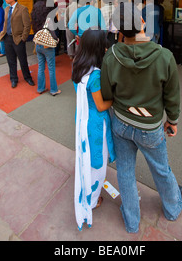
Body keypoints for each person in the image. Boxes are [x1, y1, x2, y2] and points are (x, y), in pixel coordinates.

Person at [100, 2, 182, 233]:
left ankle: (131, 221)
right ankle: (172, 209)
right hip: (150, 127)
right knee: (161, 169)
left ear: (118, 30)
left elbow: (107, 94)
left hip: (121, 124)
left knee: (125, 171)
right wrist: (173, 120)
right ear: (143, 23)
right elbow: (172, 95)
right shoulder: (164, 56)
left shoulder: (111, 56)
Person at [72, 28, 115, 230]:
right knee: (96, 163)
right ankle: (92, 199)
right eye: (105, 44)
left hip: (82, 120)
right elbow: (101, 105)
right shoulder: (95, 75)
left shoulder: (78, 65)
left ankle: (88, 191)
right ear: (99, 48)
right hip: (96, 124)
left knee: (85, 157)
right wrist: (116, 98)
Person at [0, 0, 34, 88]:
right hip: (7, 38)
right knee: (11, 61)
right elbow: (6, 23)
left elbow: (27, 26)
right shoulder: (6, 9)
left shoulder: (22, 9)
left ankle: (27, 77)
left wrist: (23, 38)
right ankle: (14, 79)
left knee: (23, 60)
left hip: (18, 39)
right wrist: (3, 33)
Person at [31, 0, 61, 96]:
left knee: (41, 67)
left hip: (38, 45)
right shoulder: (48, 19)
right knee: (51, 68)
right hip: (47, 46)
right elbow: (52, 32)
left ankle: (40, 88)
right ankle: (53, 90)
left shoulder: (34, 20)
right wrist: (56, 39)